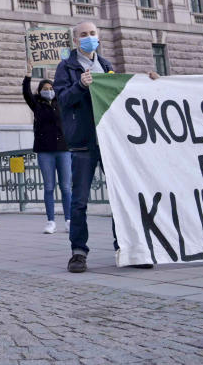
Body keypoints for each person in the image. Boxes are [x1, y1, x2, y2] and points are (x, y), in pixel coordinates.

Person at [54, 21, 158, 273]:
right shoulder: (66, 67)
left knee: (121, 198)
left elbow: (122, 93)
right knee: (79, 201)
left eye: (92, 33)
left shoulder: (107, 66)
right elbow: (63, 100)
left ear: (98, 37)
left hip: (111, 143)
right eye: (83, 35)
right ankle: (78, 252)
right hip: (82, 144)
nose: (88, 37)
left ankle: (126, 248)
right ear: (75, 40)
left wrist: (147, 81)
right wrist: (80, 85)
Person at [23, 67, 71, 234]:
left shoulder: (62, 102)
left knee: (66, 187)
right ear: (40, 91)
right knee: (49, 186)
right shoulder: (36, 104)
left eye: (51, 89)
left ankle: (69, 220)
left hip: (64, 149)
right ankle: (50, 221)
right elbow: (26, 93)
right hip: (45, 151)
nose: (49, 91)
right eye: (45, 89)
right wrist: (28, 75)